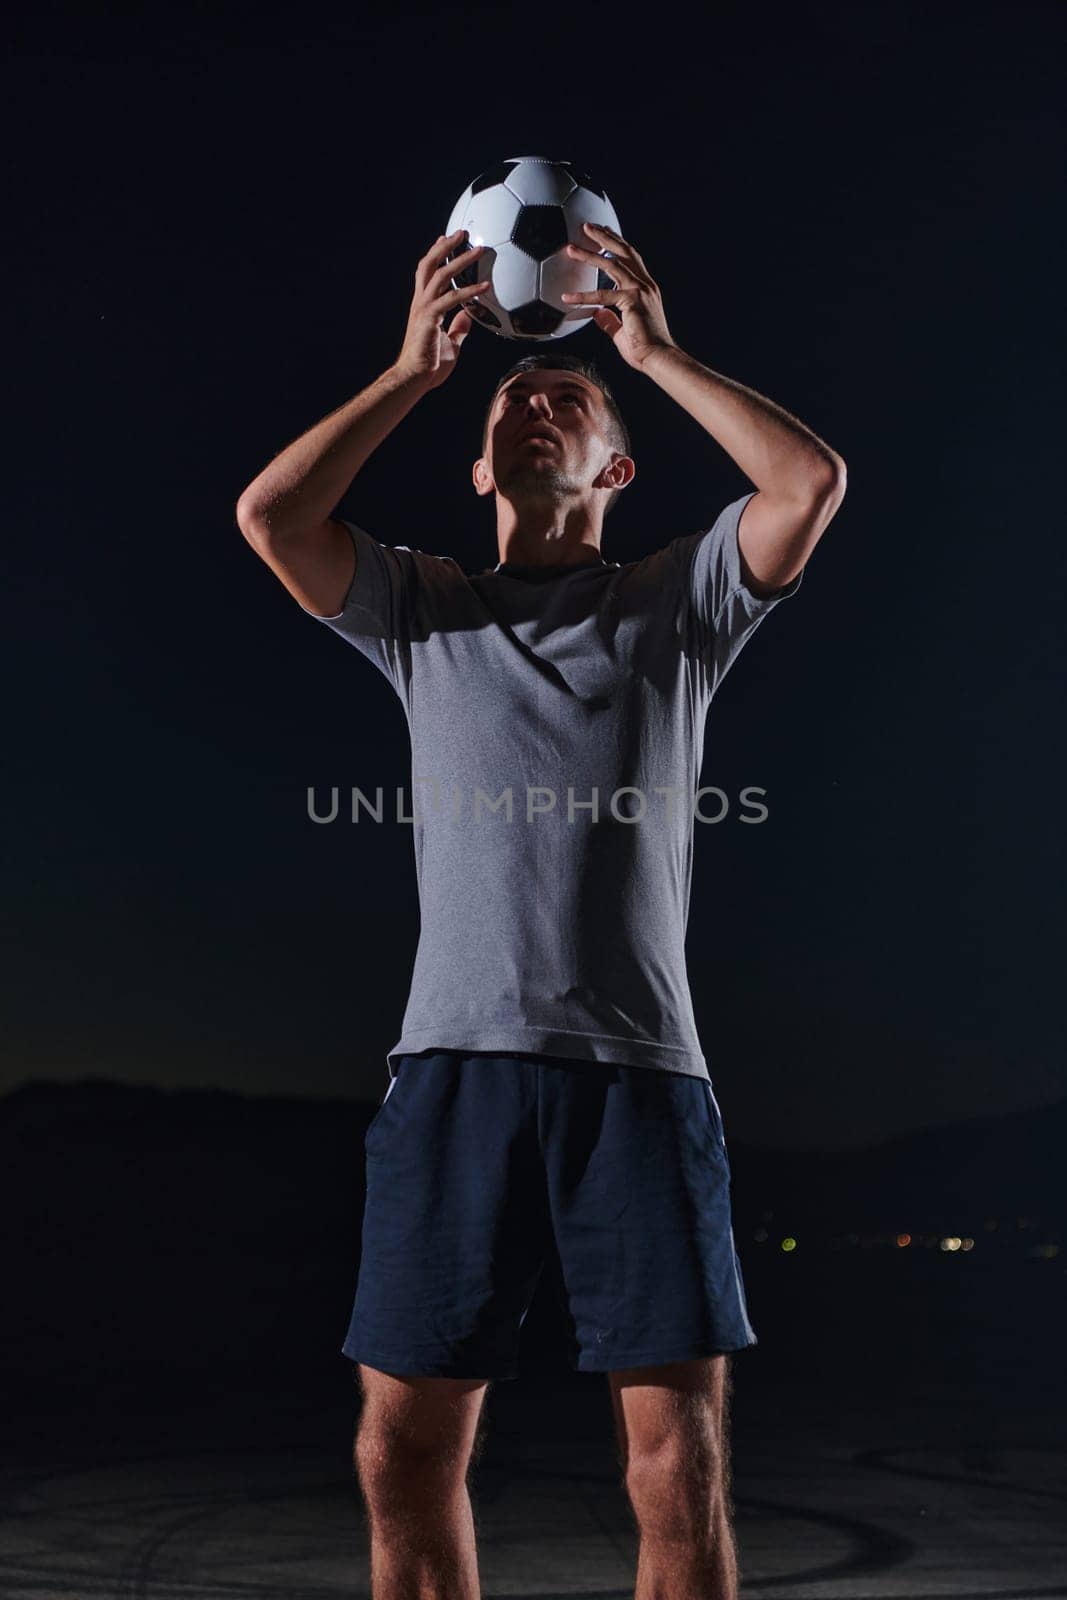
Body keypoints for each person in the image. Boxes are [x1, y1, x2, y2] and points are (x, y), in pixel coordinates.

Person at [236, 222, 846, 1600]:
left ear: (616, 468)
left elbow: (808, 481)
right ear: (477, 461)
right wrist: (410, 370)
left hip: (637, 1076)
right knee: (404, 1453)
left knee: (674, 1465)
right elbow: (272, 520)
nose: (535, 397)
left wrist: (654, 350)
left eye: (569, 397)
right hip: (451, 1071)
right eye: (515, 395)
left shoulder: (677, 604)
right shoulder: (419, 607)